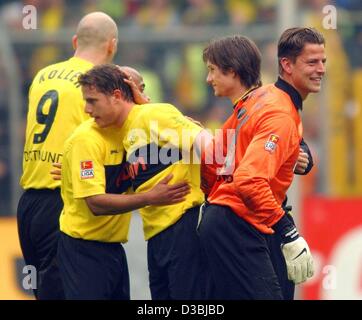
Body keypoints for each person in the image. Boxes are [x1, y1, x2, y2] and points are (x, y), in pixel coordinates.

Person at [199, 28, 325, 299]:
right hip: (239, 222)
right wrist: (288, 232)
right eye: (312, 62)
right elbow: (249, 179)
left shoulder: (260, 98)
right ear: (287, 65)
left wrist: (297, 151)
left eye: (323, 61)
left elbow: (211, 158)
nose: (321, 69)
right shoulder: (279, 111)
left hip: (233, 220)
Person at [78, 64, 210, 300]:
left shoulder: (152, 115)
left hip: (183, 225)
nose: (87, 109)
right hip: (157, 232)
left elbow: (208, 144)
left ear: (118, 94)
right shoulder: (125, 132)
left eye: (93, 101)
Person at [17, 11, 119, 299]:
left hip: (29, 204)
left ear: (75, 41)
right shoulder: (98, 85)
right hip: (64, 203)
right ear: (111, 45)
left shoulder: (42, 75)